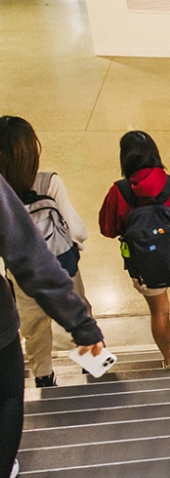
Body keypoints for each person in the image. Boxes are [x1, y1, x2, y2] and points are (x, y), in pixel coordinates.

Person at [0, 174, 104, 478]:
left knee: (33, 336)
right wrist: (82, 324)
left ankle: (43, 373)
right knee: (8, 396)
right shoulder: (46, 182)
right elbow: (31, 257)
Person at [99, 131, 170, 369]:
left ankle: (167, 360)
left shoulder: (118, 191)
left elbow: (108, 229)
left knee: (159, 313)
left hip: (144, 267)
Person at [0, 116, 92, 388]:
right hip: (62, 269)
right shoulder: (49, 182)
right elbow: (75, 228)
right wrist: (78, 246)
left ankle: (43, 375)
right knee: (78, 314)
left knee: (34, 328)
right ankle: (92, 365)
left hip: (22, 278)